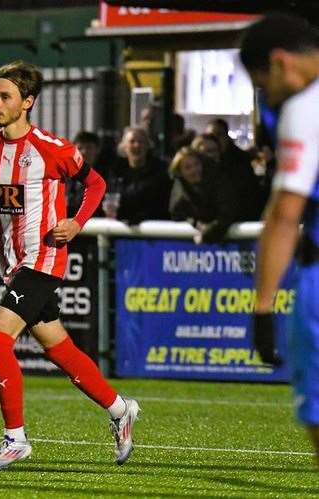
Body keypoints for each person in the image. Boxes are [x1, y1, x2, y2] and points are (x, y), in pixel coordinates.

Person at [0, 61, 140, 470]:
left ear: (27, 102)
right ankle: (120, 409)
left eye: (4, 97)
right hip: (14, 264)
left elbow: (96, 184)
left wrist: (76, 221)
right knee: (58, 347)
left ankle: (15, 439)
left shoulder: (51, 148)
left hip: (44, 258)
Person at [241, 13, 319, 464]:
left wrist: (263, 308)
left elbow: (285, 214)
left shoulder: (305, 108)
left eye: (263, 85)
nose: (268, 99)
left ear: (281, 63)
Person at [109, 126, 171, 224]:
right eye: (132, 141)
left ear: (148, 145)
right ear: (124, 146)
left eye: (141, 141)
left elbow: (161, 205)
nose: (137, 145)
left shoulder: (160, 171)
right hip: (121, 231)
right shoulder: (116, 172)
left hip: (152, 230)